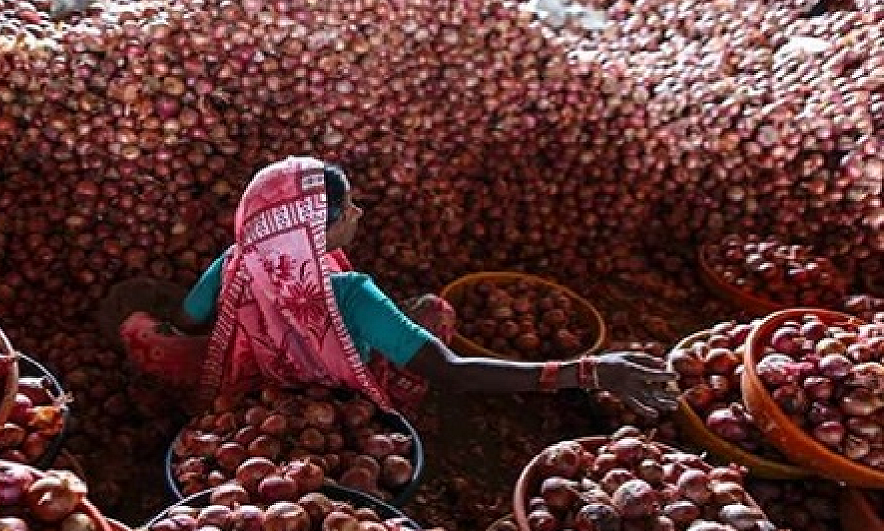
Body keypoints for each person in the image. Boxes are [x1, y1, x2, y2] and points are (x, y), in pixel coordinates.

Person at [109, 156, 678, 417]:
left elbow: (188, 320)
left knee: (155, 336)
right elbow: (452, 371)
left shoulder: (234, 263)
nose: (357, 211)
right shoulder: (354, 295)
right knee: (432, 310)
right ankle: (384, 408)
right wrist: (592, 370)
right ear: (316, 229)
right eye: (346, 207)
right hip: (334, 408)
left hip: (246, 392)